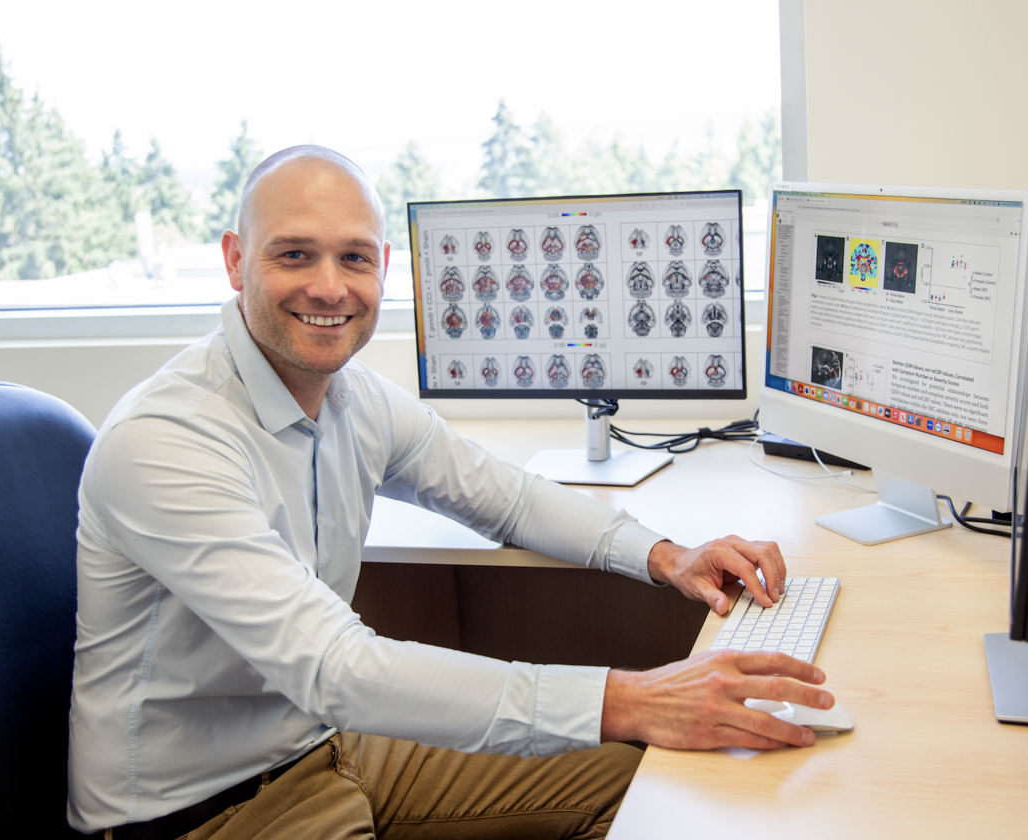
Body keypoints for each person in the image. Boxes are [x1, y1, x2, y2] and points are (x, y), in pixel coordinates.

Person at [67, 146, 834, 839]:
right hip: (204, 813)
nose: (329, 287)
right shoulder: (165, 440)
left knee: (650, 791)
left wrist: (666, 556)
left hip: (326, 748)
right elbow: (339, 669)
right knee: (635, 734)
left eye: (354, 259)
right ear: (236, 261)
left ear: (384, 270)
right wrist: (629, 698)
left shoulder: (351, 398)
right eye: (294, 254)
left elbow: (506, 498)